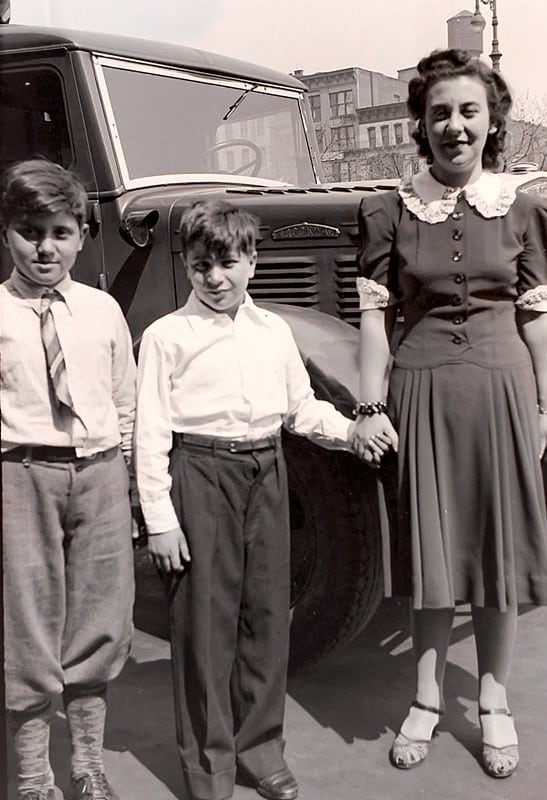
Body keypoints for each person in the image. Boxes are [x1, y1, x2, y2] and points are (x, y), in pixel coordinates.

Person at [353, 49, 547, 779]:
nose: (454, 126)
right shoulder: (388, 211)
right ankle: (426, 699)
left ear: (492, 120)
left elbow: (536, 321)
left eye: (469, 111)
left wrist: (544, 406)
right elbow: (375, 322)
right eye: (439, 113)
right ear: (420, 124)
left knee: (496, 553)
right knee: (431, 555)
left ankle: (493, 701)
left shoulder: (522, 208)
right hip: (423, 395)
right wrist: (370, 404)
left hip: (502, 395)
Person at [135, 200, 357, 800]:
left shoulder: (274, 331)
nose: (215, 277)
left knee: (266, 616)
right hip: (201, 473)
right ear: (187, 265)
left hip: (268, 470)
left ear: (252, 261)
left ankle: (260, 749)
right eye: (201, 265)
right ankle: (210, 769)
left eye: (228, 262)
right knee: (204, 625)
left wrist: (350, 432)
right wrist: (160, 519)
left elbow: (300, 409)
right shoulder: (166, 337)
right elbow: (149, 434)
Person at [0, 159, 137, 800]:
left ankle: (87, 765)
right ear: (7, 233)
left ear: (82, 235)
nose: (45, 248)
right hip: (21, 473)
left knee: (98, 621)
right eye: (30, 232)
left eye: (60, 232)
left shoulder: (102, 310)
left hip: (100, 472)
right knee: (25, 622)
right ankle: (33, 777)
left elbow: (123, 400)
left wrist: (129, 484)